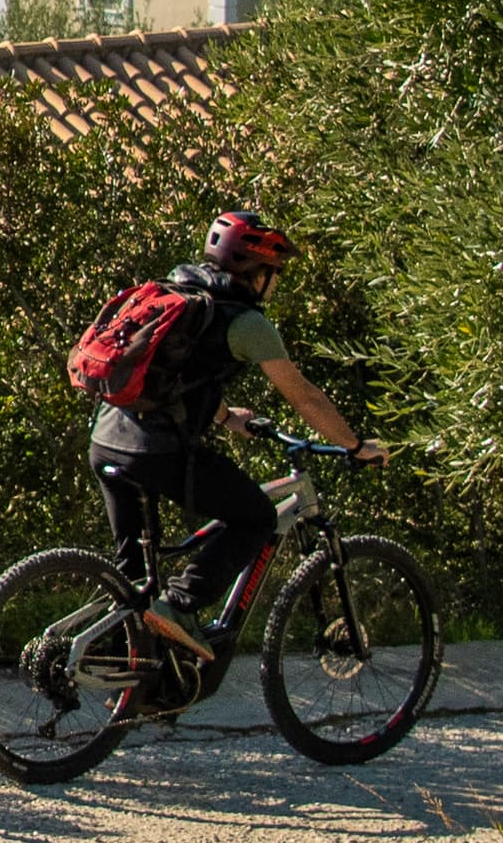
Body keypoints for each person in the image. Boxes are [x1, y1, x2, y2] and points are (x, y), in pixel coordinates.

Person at [92, 211, 386, 661]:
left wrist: (225, 416)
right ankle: (182, 604)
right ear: (257, 271)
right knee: (257, 518)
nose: (277, 283)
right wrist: (354, 444)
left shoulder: (177, 292)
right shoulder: (246, 322)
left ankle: (127, 680)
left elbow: (172, 378)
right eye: (275, 273)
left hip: (108, 437)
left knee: (132, 579)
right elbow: (303, 396)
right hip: (158, 453)